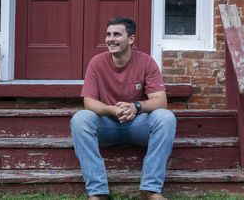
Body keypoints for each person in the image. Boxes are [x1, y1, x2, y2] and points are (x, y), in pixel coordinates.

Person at [70, 16, 176, 200]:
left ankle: (150, 190)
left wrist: (136, 107)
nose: (110, 39)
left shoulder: (146, 62)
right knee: (80, 119)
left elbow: (160, 101)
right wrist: (112, 110)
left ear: (131, 39)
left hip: (137, 125)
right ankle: (98, 192)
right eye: (108, 34)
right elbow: (89, 102)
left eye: (117, 34)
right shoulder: (96, 62)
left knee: (166, 118)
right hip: (107, 126)